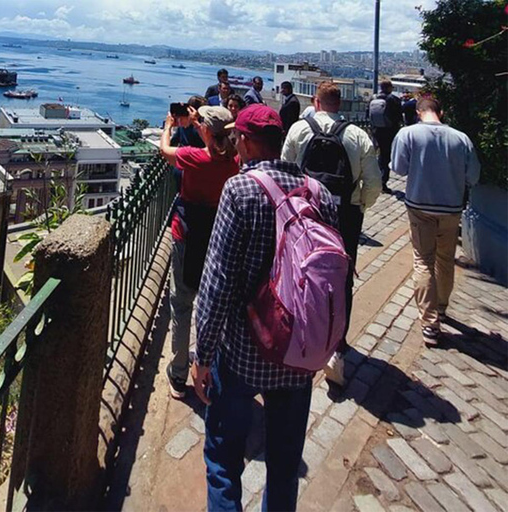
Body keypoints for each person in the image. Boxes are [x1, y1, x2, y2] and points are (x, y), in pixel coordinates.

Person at [194, 104, 339, 511]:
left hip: (242, 353)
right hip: (298, 353)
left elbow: (217, 283)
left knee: (223, 460)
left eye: (237, 139)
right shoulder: (319, 193)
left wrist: (202, 355)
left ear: (246, 141)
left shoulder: (240, 190)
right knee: (284, 464)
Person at [282, 81, 382, 386]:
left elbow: (285, 169)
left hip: (306, 213)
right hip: (344, 217)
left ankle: (299, 334)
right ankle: (336, 346)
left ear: (316, 101)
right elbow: (374, 183)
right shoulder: (357, 135)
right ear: (340, 104)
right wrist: (359, 206)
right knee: (341, 278)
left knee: (299, 271)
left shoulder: (300, 130)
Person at [160, 106, 238, 399]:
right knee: (212, 302)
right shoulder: (234, 162)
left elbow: (165, 150)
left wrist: (169, 126)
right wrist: (198, 121)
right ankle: (210, 361)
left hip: (187, 234)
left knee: (181, 304)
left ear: (204, 129)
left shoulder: (193, 157)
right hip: (217, 236)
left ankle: (179, 374)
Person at [391, 97, 480, 347]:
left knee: (423, 261)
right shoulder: (461, 139)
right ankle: (441, 307)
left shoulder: (408, 134)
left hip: (419, 206)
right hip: (451, 208)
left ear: (419, 112)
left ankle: (430, 323)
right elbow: (473, 176)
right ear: (441, 112)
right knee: (445, 259)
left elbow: (398, 168)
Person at [368, 80, 403, 193]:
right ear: (388, 88)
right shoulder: (393, 99)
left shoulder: (373, 98)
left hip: (376, 130)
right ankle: (383, 182)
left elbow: (367, 114)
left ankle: (375, 179)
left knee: (378, 155)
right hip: (389, 131)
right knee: (386, 156)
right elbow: (398, 116)